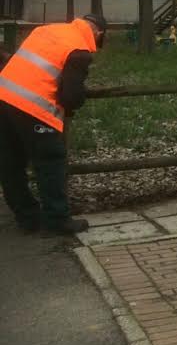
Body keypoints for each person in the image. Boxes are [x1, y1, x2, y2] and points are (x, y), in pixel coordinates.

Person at [0, 13, 106, 234]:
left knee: (10, 163)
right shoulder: (79, 50)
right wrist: (79, 98)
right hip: (33, 108)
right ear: (97, 33)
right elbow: (71, 96)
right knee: (51, 161)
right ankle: (57, 220)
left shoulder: (45, 30)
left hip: (4, 97)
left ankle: (27, 217)